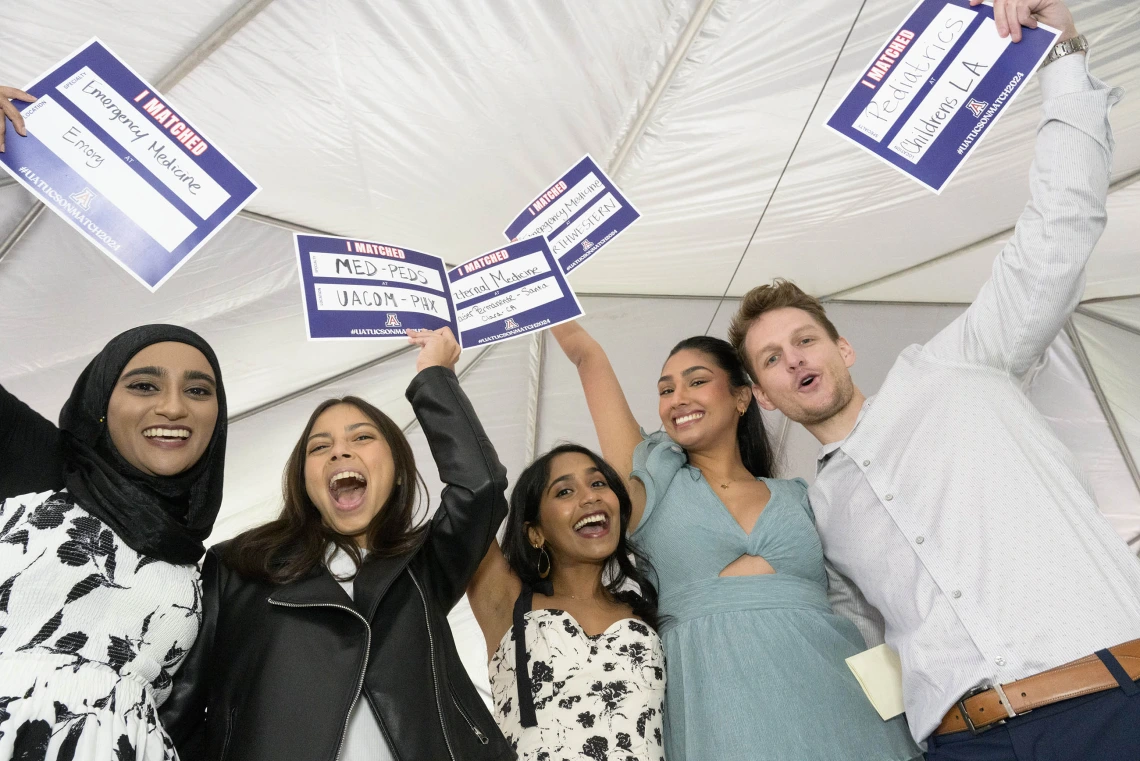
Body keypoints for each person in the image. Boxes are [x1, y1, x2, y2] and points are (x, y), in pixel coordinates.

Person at [729, 1, 1140, 758]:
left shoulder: (958, 364)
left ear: (843, 347)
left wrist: (1063, 58)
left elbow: (1059, 227)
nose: (795, 360)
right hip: (963, 743)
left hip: (1107, 698)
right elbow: (870, 646)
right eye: (773, 359)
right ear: (762, 395)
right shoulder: (818, 510)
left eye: (805, 339)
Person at [551, 326, 922, 761]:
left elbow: (866, 600)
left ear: (742, 397)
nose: (678, 397)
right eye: (665, 389)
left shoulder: (801, 496)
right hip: (718, 711)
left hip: (843, 706)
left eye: (697, 381)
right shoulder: (650, 484)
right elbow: (586, 356)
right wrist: (547, 297)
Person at [160, 327, 515, 761]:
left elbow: (480, 487)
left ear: (398, 470)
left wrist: (435, 376)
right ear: (305, 481)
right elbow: (178, 713)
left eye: (362, 438)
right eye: (320, 446)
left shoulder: (425, 564)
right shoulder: (237, 565)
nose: (339, 452)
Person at [0, 325, 227, 761]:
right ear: (101, 402)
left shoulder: (204, 566)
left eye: (199, 391)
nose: (174, 407)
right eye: (144, 386)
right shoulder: (41, 467)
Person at [468, 444, 666, 761]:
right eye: (564, 492)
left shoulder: (648, 608)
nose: (590, 497)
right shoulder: (508, 603)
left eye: (598, 483)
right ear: (535, 534)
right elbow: (470, 489)